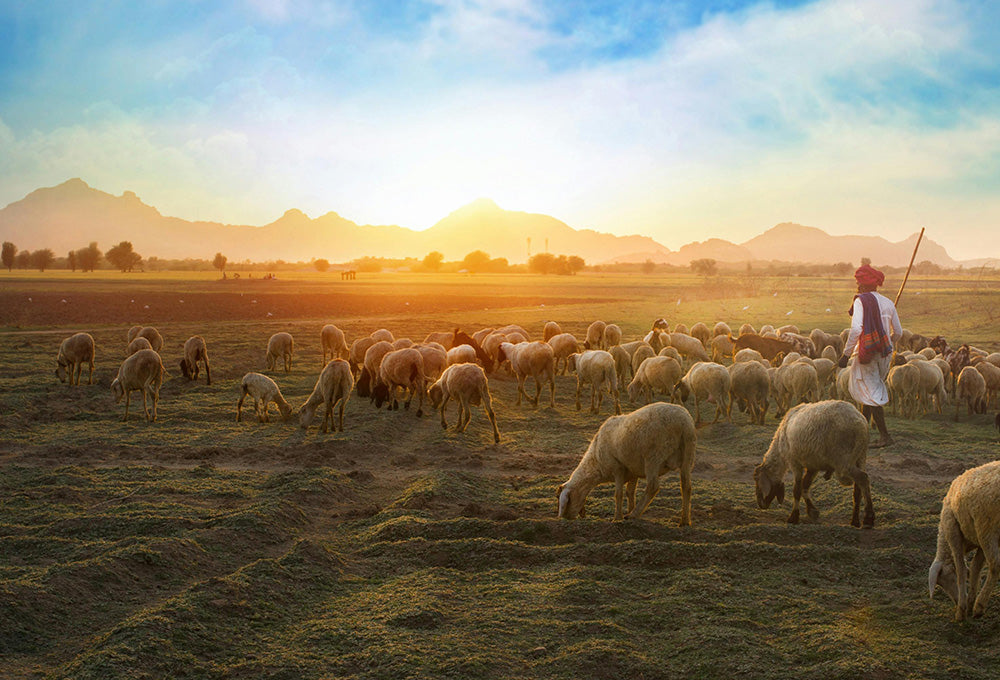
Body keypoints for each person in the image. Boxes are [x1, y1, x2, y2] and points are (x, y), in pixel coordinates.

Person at [838, 263, 902, 448]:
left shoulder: (861, 301)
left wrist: (845, 354)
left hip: (867, 353)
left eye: (859, 283)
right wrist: (886, 341)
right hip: (884, 354)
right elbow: (898, 331)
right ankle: (861, 433)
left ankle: (884, 436)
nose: (857, 287)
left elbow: (857, 328)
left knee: (871, 393)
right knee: (870, 391)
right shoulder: (888, 303)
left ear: (864, 285)